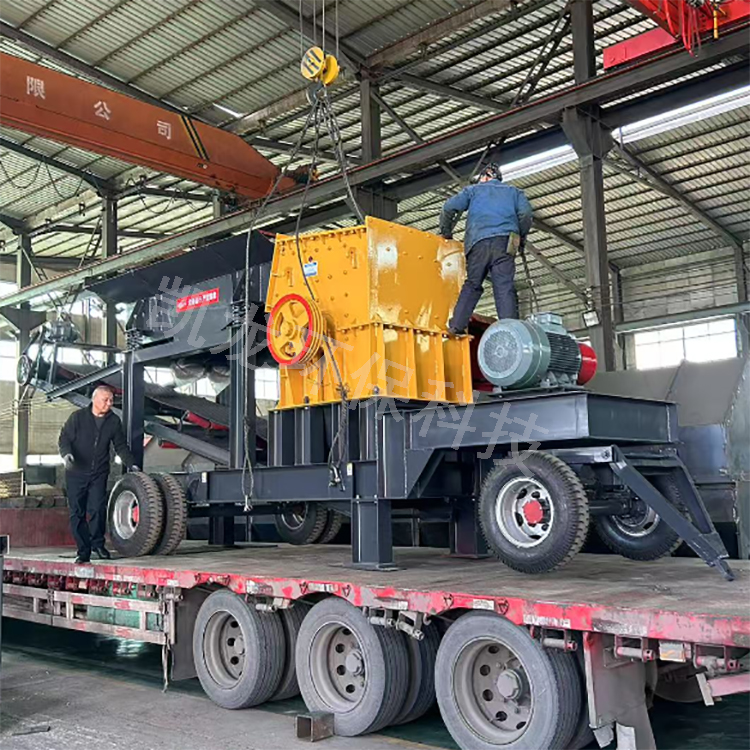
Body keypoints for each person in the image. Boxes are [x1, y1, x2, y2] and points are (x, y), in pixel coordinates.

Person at [439, 162, 533, 334]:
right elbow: (526, 214)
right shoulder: (514, 192)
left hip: (477, 243)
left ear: (483, 177)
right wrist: (520, 237)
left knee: (473, 284)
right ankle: (511, 331)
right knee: (504, 286)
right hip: (505, 242)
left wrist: (446, 232)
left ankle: (456, 325)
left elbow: (448, 207)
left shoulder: (473, 190)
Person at [59, 385, 139, 563]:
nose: (109, 404)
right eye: (105, 400)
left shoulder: (113, 421)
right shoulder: (78, 418)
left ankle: (98, 544)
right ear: (94, 399)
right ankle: (83, 550)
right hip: (76, 472)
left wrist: (131, 463)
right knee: (77, 512)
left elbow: (120, 445)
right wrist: (66, 455)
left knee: (97, 509)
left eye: (111, 400)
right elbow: (64, 438)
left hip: (99, 473)